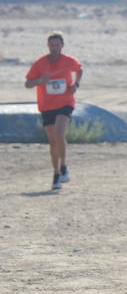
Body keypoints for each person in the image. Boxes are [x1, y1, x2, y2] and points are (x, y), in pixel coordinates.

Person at [24, 31, 83, 190]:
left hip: (65, 102)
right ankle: (56, 174)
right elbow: (27, 83)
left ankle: (64, 166)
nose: (55, 48)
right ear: (48, 46)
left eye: (58, 45)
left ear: (62, 46)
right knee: (52, 142)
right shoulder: (40, 63)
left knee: (59, 132)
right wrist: (40, 80)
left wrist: (75, 85)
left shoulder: (68, 61)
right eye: (52, 45)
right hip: (47, 105)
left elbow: (79, 69)